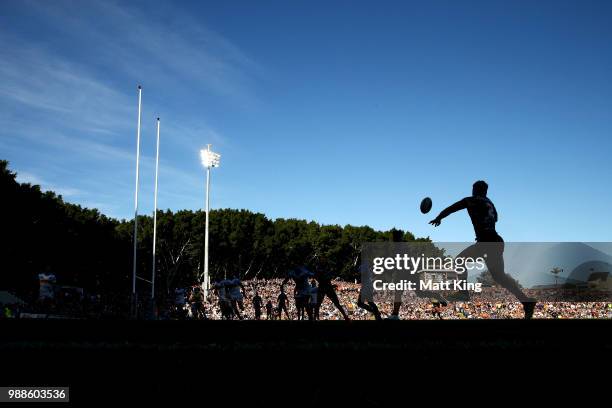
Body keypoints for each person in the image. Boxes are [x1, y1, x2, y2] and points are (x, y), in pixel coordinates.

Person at [429, 180, 536, 319]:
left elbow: (452, 208)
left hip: (486, 242)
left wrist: (439, 217)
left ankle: (463, 292)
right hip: (496, 241)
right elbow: (495, 219)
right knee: (499, 276)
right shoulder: (490, 203)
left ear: (474, 190)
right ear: (486, 191)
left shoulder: (471, 200)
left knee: (459, 261)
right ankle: (526, 301)